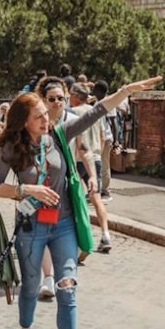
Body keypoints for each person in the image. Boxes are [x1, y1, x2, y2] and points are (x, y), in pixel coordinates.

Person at [0, 75, 162, 329]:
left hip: (64, 222)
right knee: (30, 287)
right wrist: (26, 189)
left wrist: (123, 92)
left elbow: (93, 114)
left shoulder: (57, 135)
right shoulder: (12, 148)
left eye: (47, 113)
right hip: (31, 226)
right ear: (24, 121)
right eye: (40, 115)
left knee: (67, 287)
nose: (48, 118)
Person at [68, 82, 112, 252]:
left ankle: (79, 238)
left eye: (71, 94)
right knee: (96, 198)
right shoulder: (96, 113)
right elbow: (102, 136)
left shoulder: (72, 113)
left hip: (78, 159)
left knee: (76, 199)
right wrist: (97, 155)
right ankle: (106, 234)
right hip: (95, 158)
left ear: (76, 96)